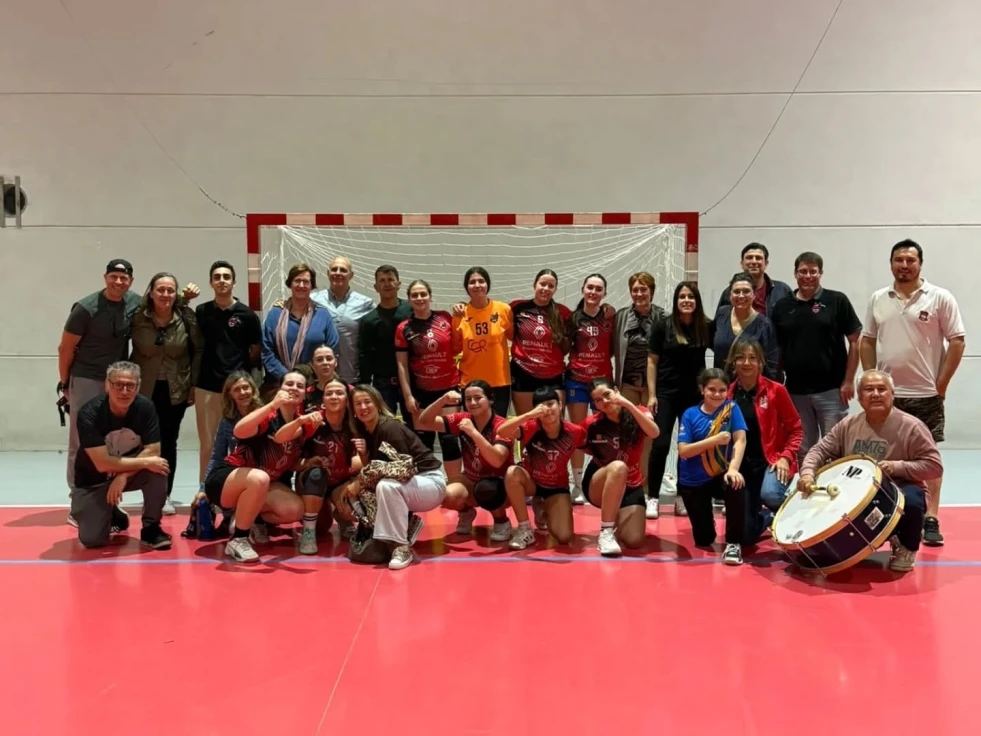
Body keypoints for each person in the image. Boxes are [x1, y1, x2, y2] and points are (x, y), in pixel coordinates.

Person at [860, 239, 965, 546]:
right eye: (898, 260)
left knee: (928, 458)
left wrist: (940, 385)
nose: (904, 265)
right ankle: (892, 517)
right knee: (886, 458)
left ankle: (931, 518)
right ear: (891, 263)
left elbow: (957, 342)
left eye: (910, 260)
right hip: (888, 397)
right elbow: (867, 339)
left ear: (920, 263)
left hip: (925, 396)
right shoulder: (879, 298)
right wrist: (870, 379)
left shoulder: (939, 298)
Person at [798, 370, 942, 572]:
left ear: (892, 394)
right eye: (868, 389)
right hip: (855, 491)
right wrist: (807, 473)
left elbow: (934, 466)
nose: (875, 394)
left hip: (898, 488)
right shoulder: (848, 425)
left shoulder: (912, 426)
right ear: (859, 397)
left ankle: (907, 546)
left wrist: (897, 466)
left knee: (912, 500)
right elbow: (819, 450)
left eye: (881, 389)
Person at [58, 260, 141, 523]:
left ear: (130, 281)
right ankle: (77, 501)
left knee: (113, 441)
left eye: (124, 278)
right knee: (81, 441)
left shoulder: (135, 304)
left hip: (117, 382)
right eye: (114, 276)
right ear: (105, 277)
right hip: (85, 378)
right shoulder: (86, 308)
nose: (118, 282)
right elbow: (65, 348)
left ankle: (107, 499)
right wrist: (65, 383)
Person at [203, 371, 312, 562]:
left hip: (263, 483)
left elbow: (288, 459)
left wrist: (309, 463)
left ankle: (249, 517)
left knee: (295, 510)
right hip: (228, 478)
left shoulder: (301, 423)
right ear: (280, 389)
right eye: (289, 384)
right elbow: (239, 430)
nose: (294, 388)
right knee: (260, 478)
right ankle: (238, 539)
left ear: (305, 393)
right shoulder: (267, 415)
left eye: (299, 386)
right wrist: (272, 404)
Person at [70, 361, 173, 551]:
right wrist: (138, 464)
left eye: (130, 385)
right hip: (93, 480)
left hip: (127, 475)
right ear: (107, 385)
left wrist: (123, 476)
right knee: (91, 540)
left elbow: (153, 452)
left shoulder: (146, 408)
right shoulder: (89, 413)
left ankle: (151, 528)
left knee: (158, 468)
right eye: (118, 384)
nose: (124, 391)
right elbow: (102, 463)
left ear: (138, 386)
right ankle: (112, 514)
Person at [770, 252, 861, 465]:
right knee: (804, 448)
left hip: (831, 391)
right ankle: (808, 492)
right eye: (803, 271)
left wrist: (848, 381)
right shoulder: (783, 307)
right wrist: (777, 384)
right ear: (795, 274)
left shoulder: (837, 300)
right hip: (796, 392)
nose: (808, 276)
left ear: (821, 274)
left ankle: (836, 495)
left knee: (835, 448)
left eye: (813, 272)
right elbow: (778, 349)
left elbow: (855, 341)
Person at [350, 385, 448, 571]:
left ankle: (401, 547)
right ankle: (404, 526)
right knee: (369, 490)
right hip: (410, 485)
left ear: (377, 404)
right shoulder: (367, 431)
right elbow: (380, 467)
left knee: (386, 486)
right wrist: (364, 461)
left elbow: (404, 470)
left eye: (367, 402)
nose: (363, 407)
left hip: (429, 481)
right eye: (358, 404)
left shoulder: (389, 427)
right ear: (353, 410)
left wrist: (361, 479)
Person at [130, 272, 203, 513]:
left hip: (175, 389)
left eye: (170, 290)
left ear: (176, 294)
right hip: (143, 389)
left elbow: (197, 351)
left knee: (167, 442)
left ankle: (164, 494)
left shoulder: (186, 316)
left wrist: (193, 384)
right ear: (150, 293)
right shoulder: (138, 317)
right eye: (160, 289)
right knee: (142, 441)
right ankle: (143, 491)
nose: (165, 294)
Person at [646, 281, 715, 519]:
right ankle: (652, 497)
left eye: (691, 297)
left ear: (697, 301)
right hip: (666, 394)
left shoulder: (706, 326)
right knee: (661, 444)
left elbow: (721, 352)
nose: (686, 300)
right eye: (682, 296)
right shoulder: (663, 326)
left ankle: (681, 497)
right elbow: (652, 361)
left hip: (693, 398)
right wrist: (652, 395)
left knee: (688, 448)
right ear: (676, 301)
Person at [415, 380, 515, 541]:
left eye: (478, 398)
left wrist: (473, 432)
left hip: (500, 484)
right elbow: (424, 421)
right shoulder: (463, 419)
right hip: (471, 479)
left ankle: (501, 520)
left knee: (487, 488)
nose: (473, 403)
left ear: (490, 400)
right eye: (468, 399)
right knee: (445, 494)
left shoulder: (502, 425)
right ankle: (466, 511)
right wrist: (443, 400)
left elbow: (497, 460)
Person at [193, 260, 261, 491]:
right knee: (209, 444)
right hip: (207, 386)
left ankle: (236, 490)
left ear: (234, 281)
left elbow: (255, 352)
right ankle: (206, 492)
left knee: (241, 442)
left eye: (226, 277)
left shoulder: (248, 315)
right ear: (211, 282)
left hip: (237, 390)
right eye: (217, 277)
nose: (222, 280)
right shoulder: (201, 312)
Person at [726, 339, 802, 543]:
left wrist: (786, 457)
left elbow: (796, 430)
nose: (746, 363)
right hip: (742, 467)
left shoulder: (777, 391)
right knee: (745, 537)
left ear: (761, 363)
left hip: (771, 462)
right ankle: (766, 517)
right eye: (741, 357)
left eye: (752, 358)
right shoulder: (726, 394)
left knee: (771, 495)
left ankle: (802, 515)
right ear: (733, 362)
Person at [276, 379, 363, 554]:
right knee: (321, 527)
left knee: (354, 512)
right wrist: (300, 422)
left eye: (339, 393)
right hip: (312, 482)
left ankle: (342, 515)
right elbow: (280, 439)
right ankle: (308, 532)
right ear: (323, 399)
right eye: (329, 393)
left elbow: (366, 460)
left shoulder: (355, 423)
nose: (334, 397)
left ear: (347, 399)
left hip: (341, 482)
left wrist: (349, 462)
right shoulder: (314, 421)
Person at [496, 387, 588, 550]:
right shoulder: (532, 427)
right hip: (532, 481)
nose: (547, 410)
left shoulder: (574, 432)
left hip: (557, 487)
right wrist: (529, 415)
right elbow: (502, 430)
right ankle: (525, 529)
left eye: (550, 404)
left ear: (560, 405)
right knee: (512, 473)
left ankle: (543, 507)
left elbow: (593, 449)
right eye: (541, 407)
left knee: (564, 536)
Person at [580, 378, 660, 556]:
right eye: (598, 400)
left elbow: (654, 432)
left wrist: (628, 405)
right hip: (599, 484)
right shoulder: (592, 424)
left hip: (631, 485)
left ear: (616, 390)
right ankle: (606, 532)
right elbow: (580, 445)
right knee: (618, 467)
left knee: (635, 541)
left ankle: (617, 518)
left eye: (607, 395)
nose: (605, 401)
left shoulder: (640, 412)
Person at [677, 368, 748, 565]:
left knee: (736, 484)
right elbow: (684, 451)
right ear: (702, 389)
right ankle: (707, 522)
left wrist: (733, 469)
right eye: (712, 389)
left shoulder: (731, 408)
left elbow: (740, 440)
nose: (717, 394)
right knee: (704, 540)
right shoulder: (690, 414)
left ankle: (733, 543)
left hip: (720, 475)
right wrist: (714, 440)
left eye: (722, 390)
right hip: (693, 480)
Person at [395, 279, 463, 478]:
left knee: (449, 438)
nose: (419, 298)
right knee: (424, 442)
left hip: (448, 387)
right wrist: (408, 396)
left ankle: (454, 484)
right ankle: (429, 486)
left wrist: (461, 308)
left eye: (423, 294)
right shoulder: (404, 328)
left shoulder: (445, 318)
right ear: (408, 299)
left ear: (430, 296)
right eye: (414, 295)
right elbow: (402, 364)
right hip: (421, 391)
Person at [612, 272, 665, 503]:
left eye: (644, 289)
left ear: (651, 291)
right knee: (627, 436)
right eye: (635, 289)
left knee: (649, 440)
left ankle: (643, 489)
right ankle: (625, 483)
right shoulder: (621, 316)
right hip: (627, 386)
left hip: (653, 389)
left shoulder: (664, 317)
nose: (639, 294)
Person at [565, 273, 615, 504]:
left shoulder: (609, 317)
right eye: (590, 288)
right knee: (577, 431)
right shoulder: (573, 318)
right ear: (583, 289)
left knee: (602, 433)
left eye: (598, 289)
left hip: (602, 383)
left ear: (604, 293)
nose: (594, 292)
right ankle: (576, 485)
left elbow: (612, 349)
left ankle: (600, 478)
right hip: (576, 380)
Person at [261, 263, 340, 400]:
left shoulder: (322, 315)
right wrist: (288, 378)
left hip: (313, 387)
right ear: (290, 284)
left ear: (312, 286)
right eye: (297, 281)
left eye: (306, 282)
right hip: (277, 387)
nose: (301, 285)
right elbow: (266, 351)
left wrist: (304, 376)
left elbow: (331, 349)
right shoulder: (275, 314)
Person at [451, 267, 514, 417]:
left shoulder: (503, 309)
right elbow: (455, 348)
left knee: (498, 431)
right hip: (471, 383)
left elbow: (514, 337)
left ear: (488, 285)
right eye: (472, 282)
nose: (477, 285)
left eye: (481, 281)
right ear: (467, 287)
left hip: (499, 382)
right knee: (473, 431)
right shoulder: (460, 314)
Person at [509, 269, 572, 415]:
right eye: (542, 284)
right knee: (527, 425)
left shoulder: (563, 312)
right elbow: (492, 312)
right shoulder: (517, 307)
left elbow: (585, 317)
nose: (546, 289)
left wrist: (607, 309)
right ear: (534, 285)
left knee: (554, 424)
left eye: (551, 286)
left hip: (553, 375)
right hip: (522, 373)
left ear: (555, 289)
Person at [358, 265, 413, 417]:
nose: (387, 284)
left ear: (399, 284)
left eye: (390, 279)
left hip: (412, 382)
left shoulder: (412, 311)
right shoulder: (369, 320)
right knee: (385, 427)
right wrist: (364, 386)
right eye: (382, 280)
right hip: (383, 384)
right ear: (376, 287)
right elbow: (365, 355)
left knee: (416, 428)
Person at [311, 256, 374, 385]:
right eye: (334, 269)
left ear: (351, 275)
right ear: (328, 273)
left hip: (352, 377)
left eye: (343, 270)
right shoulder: (312, 300)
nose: (338, 273)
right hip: (319, 379)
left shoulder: (365, 303)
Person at [713, 272, 778, 380]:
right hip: (722, 389)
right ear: (730, 295)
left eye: (746, 291)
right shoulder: (722, 313)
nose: (741, 295)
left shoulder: (764, 325)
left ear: (754, 295)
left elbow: (770, 364)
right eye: (736, 291)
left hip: (750, 389)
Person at [716, 242, 792, 316]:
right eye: (749, 258)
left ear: (766, 264)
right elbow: (719, 324)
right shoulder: (729, 293)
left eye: (758, 258)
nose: (754, 261)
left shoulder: (783, 291)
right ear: (742, 264)